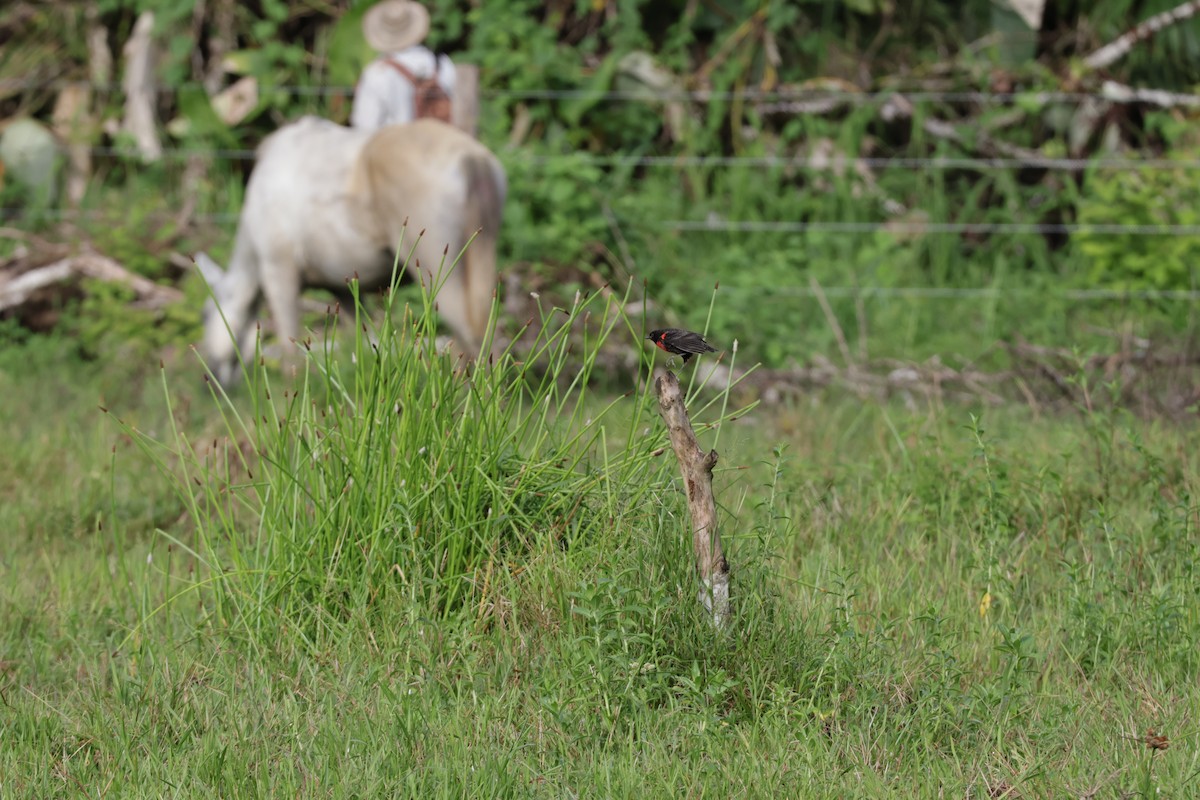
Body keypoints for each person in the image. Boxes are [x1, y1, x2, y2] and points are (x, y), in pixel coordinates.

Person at [350, 0, 456, 131]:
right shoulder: (442, 63)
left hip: (395, 148)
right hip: (440, 145)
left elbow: (365, 126)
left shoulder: (377, 73)